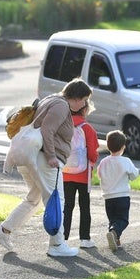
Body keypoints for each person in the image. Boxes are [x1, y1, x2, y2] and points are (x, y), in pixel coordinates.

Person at [0, 78, 93, 257]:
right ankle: (57, 244)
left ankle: (4, 230)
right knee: (56, 200)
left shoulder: (50, 99)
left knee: (34, 200)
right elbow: (48, 130)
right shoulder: (61, 106)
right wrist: (52, 155)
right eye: (84, 100)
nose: (84, 104)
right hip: (45, 160)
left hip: (32, 157)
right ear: (76, 98)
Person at [62, 101, 99, 249]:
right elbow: (92, 153)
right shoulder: (88, 129)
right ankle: (85, 238)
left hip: (66, 173)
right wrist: (93, 160)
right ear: (84, 110)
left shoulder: (64, 127)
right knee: (85, 207)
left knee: (67, 206)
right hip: (83, 175)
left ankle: (63, 238)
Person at [97, 130, 139, 251]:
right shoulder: (126, 161)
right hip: (122, 196)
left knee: (113, 219)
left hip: (108, 197)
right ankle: (114, 233)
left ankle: (116, 240)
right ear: (123, 147)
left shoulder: (104, 162)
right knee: (123, 220)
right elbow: (134, 175)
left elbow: (99, 175)